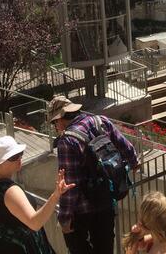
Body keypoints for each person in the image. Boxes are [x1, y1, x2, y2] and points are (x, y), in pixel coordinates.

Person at [48, 96, 139, 254]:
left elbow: (70, 185)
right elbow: (127, 147)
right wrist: (134, 163)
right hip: (107, 199)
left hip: (83, 210)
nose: (56, 127)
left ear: (59, 119)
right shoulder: (100, 121)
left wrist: (64, 219)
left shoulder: (67, 141)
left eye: (54, 122)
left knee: (77, 246)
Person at [0, 135, 75, 253]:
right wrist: (56, 195)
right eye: (13, 157)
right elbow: (35, 223)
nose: (19, 159)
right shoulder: (9, 190)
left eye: (20, 153)